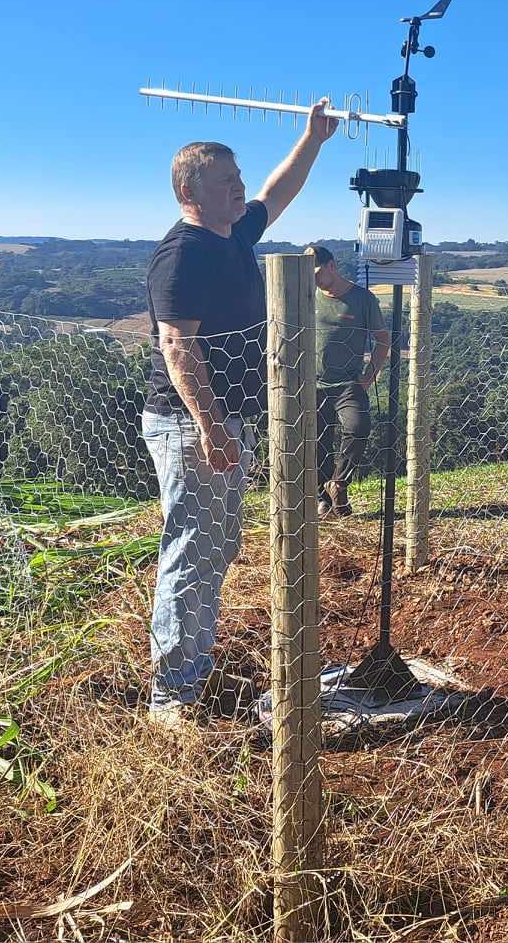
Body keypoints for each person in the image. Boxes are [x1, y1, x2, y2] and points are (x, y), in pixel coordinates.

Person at [140, 102, 337, 727]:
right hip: (191, 423)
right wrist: (211, 425)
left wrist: (312, 139)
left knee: (217, 546)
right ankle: (173, 694)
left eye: (238, 178)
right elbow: (178, 345)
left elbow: (281, 191)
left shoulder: (232, 237)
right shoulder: (184, 255)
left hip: (226, 423)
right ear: (189, 190)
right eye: (227, 182)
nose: (241, 189)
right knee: (194, 549)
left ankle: (192, 667)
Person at [306, 245, 391, 517]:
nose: (314, 278)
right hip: (312, 383)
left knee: (359, 426)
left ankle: (339, 483)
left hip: (348, 384)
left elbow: (382, 339)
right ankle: (323, 498)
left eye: (317, 271)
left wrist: (370, 375)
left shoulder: (362, 299)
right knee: (318, 442)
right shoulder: (307, 295)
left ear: (331, 266)